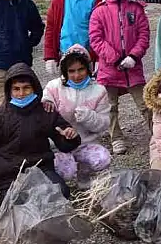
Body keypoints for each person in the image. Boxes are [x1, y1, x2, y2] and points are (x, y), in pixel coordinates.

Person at [0, 63, 80, 207]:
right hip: (10, 175)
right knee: (16, 204)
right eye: (16, 89)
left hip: (41, 169)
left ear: (34, 88)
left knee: (60, 193)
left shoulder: (45, 111)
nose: (21, 93)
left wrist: (70, 137)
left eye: (26, 88)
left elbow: (65, 144)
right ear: (9, 90)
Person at [88, 0, 152, 155]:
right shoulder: (99, 12)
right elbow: (96, 39)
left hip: (133, 67)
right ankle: (116, 137)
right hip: (109, 68)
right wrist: (115, 58)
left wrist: (133, 56)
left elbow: (144, 35)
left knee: (146, 103)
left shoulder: (136, 9)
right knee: (110, 106)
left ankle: (158, 133)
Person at [42, 46, 113, 189]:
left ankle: (84, 174)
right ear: (64, 71)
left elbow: (105, 123)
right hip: (58, 146)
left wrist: (89, 117)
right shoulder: (53, 88)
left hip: (85, 143)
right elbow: (43, 115)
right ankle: (56, 184)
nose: (76, 75)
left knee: (103, 158)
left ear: (88, 68)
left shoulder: (99, 90)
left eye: (81, 69)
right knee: (66, 170)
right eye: (71, 71)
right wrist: (46, 103)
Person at [43, 0, 101, 78]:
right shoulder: (58, 1)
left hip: (88, 56)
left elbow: (102, 32)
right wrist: (50, 56)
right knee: (66, 94)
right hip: (65, 55)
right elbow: (51, 29)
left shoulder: (97, 1)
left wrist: (99, 58)